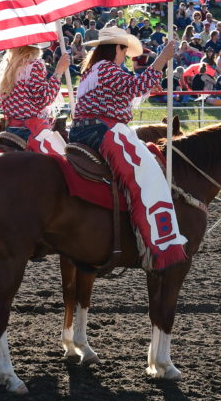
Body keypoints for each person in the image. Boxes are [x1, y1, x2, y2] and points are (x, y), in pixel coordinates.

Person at [70, 26, 186, 271]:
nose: (125, 57)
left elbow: (129, 91)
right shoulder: (107, 68)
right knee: (145, 172)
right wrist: (162, 60)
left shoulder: (93, 70)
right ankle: (155, 240)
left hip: (84, 129)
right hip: (101, 129)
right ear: (117, 48)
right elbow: (134, 87)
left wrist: (147, 81)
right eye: (124, 51)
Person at [0, 45, 70, 154]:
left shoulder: (10, 68)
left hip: (11, 129)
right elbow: (43, 99)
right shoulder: (35, 65)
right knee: (63, 160)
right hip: (33, 131)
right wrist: (58, 72)